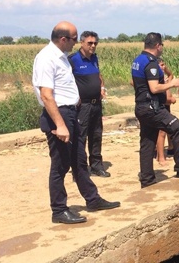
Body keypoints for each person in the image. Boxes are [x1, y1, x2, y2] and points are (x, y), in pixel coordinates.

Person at [32, 21, 119, 224]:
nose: (75, 43)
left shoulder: (61, 57)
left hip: (71, 113)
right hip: (59, 116)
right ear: (64, 39)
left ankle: (92, 199)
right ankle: (59, 210)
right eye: (74, 39)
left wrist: (75, 99)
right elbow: (46, 95)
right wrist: (60, 124)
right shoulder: (46, 58)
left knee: (79, 160)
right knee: (60, 166)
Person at [132, 32, 179, 188]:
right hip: (152, 108)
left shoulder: (137, 60)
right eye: (161, 45)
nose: (162, 47)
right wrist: (173, 83)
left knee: (147, 142)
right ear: (157, 45)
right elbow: (154, 88)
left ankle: (147, 179)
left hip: (141, 107)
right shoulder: (151, 63)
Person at [68, 31, 110, 177]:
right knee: (80, 137)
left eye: (95, 43)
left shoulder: (94, 59)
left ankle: (96, 166)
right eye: (90, 43)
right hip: (82, 106)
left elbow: (98, 76)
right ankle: (79, 170)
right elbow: (65, 81)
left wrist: (102, 88)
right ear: (82, 43)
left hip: (96, 105)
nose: (93, 46)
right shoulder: (73, 60)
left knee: (96, 135)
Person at [155, 57, 176, 166]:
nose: (163, 67)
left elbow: (171, 75)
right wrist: (171, 99)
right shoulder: (156, 79)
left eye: (164, 65)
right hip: (162, 105)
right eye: (161, 65)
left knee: (168, 129)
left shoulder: (165, 78)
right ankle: (161, 157)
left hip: (167, 107)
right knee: (161, 132)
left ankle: (169, 149)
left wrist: (165, 69)